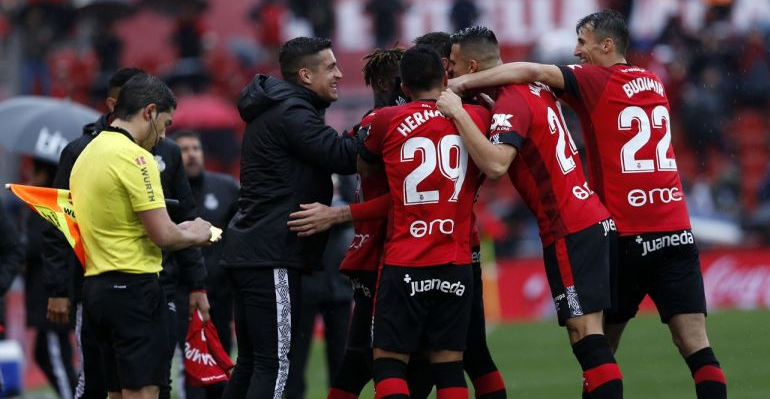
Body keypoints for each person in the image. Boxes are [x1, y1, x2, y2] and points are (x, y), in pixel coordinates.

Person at [449, 11, 727, 399]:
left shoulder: (597, 80)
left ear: (606, 45)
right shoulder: (654, 82)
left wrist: (459, 85)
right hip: (676, 230)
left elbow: (532, 72)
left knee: (595, 346)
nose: (577, 51)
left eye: (582, 42)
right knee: (696, 347)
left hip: (626, 234)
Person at [438, 26, 623, 399]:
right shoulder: (531, 91)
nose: (449, 74)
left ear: (472, 66)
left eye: (453, 65)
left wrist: (458, 113)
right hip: (589, 218)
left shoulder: (511, 101)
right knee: (591, 336)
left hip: (570, 225)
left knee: (585, 337)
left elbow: (495, 166)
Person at [43, 67, 211, 399]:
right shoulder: (137, 157)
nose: (163, 137)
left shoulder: (85, 152)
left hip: (96, 290)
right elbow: (163, 235)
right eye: (164, 125)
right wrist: (197, 233)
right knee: (144, 393)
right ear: (149, 112)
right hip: (134, 289)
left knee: (115, 393)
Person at [221, 36, 360, 399]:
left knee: (252, 363)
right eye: (330, 67)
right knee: (275, 366)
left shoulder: (278, 108)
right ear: (304, 75)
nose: (339, 74)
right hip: (272, 254)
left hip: (252, 252)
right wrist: (383, 120)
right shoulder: (291, 112)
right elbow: (344, 156)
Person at [361, 45, 487, 399]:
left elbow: (365, 166)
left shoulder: (385, 120)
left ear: (402, 87)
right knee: (449, 366)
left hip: (405, 261)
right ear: (446, 77)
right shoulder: (476, 117)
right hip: (455, 261)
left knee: (388, 363)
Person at [171, 130, 240, 399]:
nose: (191, 155)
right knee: (191, 365)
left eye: (195, 148)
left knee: (221, 364)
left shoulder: (225, 187)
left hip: (220, 294)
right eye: (184, 150)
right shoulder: (164, 192)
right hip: (180, 292)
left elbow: (240, 231)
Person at [22, 159, 77, 399]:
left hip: (52, 299)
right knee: (47, 354)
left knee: (54, 355)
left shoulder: (46, 209)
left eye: (31, 173)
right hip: (48, 296)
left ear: (43, 175)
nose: (28, 179)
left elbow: (37, 247)